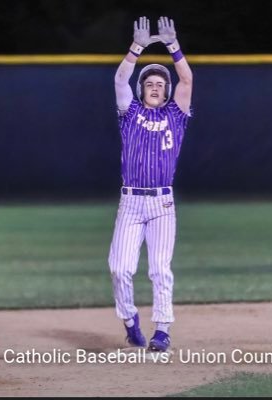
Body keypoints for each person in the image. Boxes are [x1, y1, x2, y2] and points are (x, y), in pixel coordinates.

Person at [108, 16, 193, 352]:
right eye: (149, 83)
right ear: (142, 90)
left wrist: (173, 46)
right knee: (119, 268)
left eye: (160, 84)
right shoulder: (128, 112)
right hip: (130, 202)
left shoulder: (176, 114)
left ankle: (162, 330)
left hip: (162, 204)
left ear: (166, 91)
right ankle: (130, 320)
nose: (155, 87)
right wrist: (137, 48)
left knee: (160, 268)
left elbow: (187, 78)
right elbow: (119, 78)